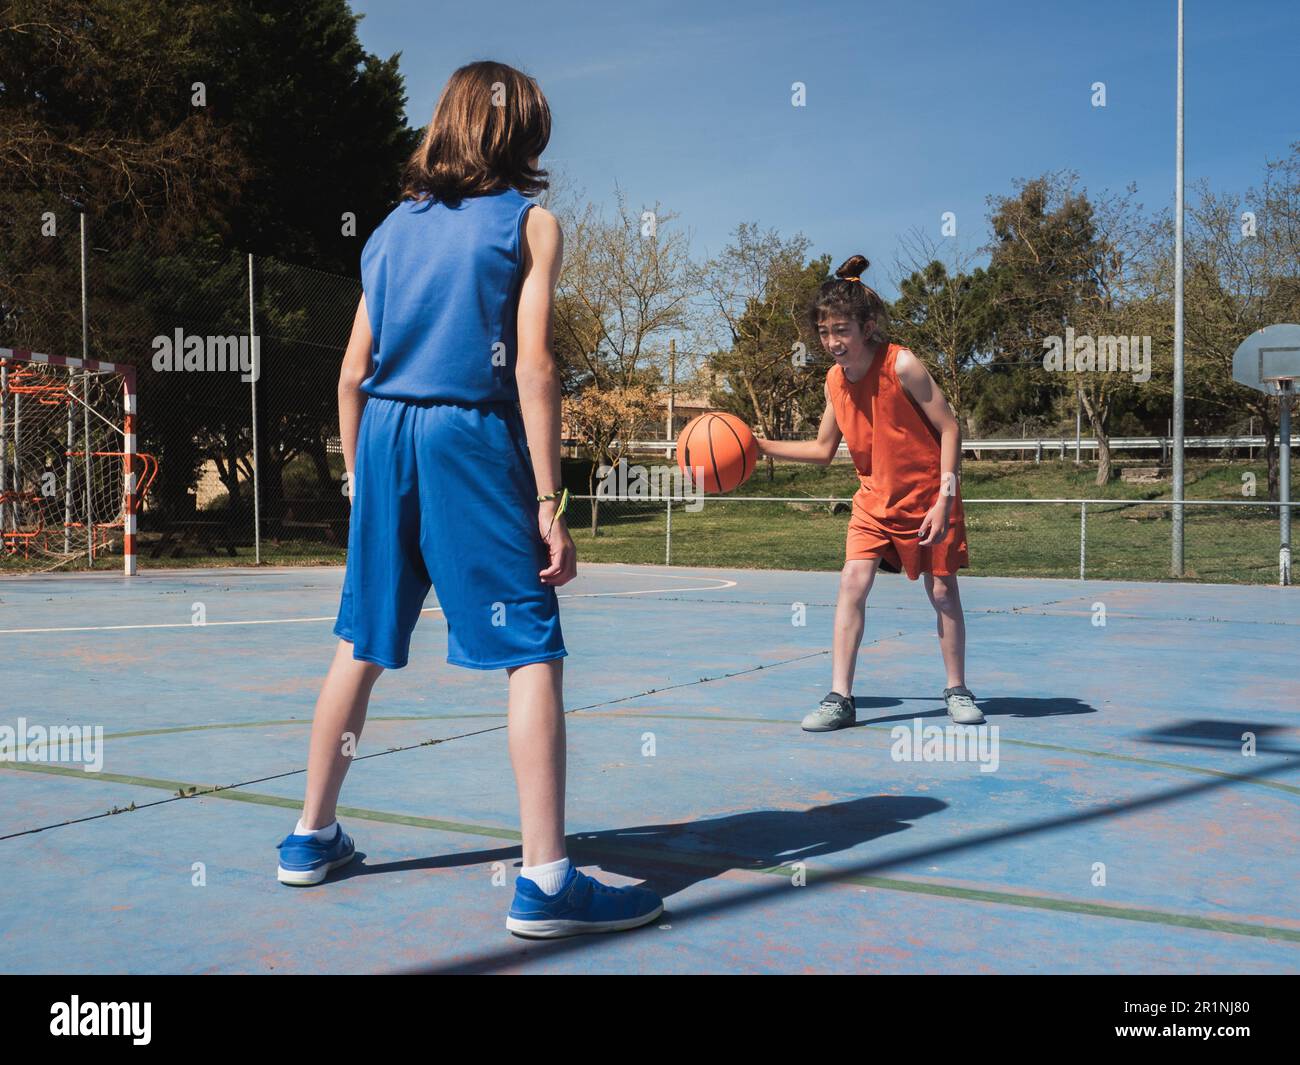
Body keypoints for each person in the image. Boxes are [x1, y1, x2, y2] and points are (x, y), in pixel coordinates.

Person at [275, 61, 663, 939]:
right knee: (532, 645)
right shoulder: (530, 224)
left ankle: (309, 835)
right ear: (518, 137)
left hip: (382, 433)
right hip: (467, 438)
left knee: (361, 639)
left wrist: (357, 476)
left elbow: (349, 370)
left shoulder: (387, 232)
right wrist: (552, 501)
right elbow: (531, 366)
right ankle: (546, 881)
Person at [756, 254, 984, 731]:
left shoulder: (902, 364)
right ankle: (840, 697)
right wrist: (757, 446)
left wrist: (946, 498)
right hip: (873, 502)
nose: (832, 342)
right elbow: (822, 450)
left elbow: (950, 428)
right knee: (851, 585)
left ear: (867, 325)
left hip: (928, 496)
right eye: (824, 332)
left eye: (841, 330)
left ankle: (957, 689)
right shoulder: (834, 382)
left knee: (943, 593)